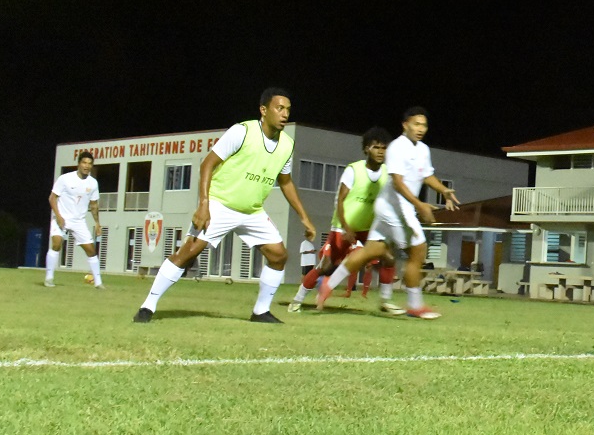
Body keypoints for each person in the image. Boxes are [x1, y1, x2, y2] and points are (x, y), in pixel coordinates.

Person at [133, 88, 317, 324]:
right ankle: (147, 306)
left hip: (252, 211)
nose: (285, 114)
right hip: (220, 204)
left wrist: (304, 217)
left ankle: (261, 312)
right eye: (279, 108)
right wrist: (204, 205)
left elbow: (285, 182)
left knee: (279, 255)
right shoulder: (242, 131)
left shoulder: (287, 145)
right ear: (263, 110)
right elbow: (207, 164)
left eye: (288, 110)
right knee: (187, 253)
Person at [317, 107, 459, 319]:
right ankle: (415, 305)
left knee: (371, 250)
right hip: (395, 209)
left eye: (424, 125)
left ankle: (328, 284)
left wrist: (443, 190)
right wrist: (419, 204)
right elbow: (398, 183)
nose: (420, 129)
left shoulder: (423, 149)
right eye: (416, 124)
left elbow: (427, 176)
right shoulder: (397, 148)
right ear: (405, 125)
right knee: (418, 251)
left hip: (392, 207)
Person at [287, 127, 403, 315]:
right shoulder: (354, 170)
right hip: (342, 227)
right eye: (376, 147)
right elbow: (339, 200)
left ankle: (385, 301)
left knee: (388, 258)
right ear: (366, 149)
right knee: (326, 267)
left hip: (368, 229)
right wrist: (347, 228)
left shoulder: (386, 173)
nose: (381, 152)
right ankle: (297, 300)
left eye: (384, 148)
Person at [45, 151, 104, 288]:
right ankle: (49, 278)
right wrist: (58, 217)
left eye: (89, 164)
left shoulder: (93, 183)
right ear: (78, 164)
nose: (86, 166)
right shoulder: (65, 179)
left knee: (91, 250)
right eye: (84, 163)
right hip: (61, 218)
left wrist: (97, 223)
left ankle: (98, 283)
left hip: (79, 221)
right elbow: (52, 198)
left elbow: (94, 205)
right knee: (57, 243)